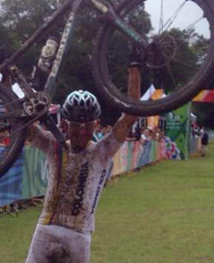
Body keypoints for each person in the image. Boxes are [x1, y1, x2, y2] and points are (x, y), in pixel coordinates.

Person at [25, 65, 140, 263]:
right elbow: (24, 125)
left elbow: (130, 117)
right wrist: (5, 85)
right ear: (64, 125)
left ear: (95, 125)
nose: (80, 132)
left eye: (86, 127)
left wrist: (134, 69)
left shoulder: (101, 151)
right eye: (75, 126)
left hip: (77, 235)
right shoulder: (54, 146)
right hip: (47, 229)